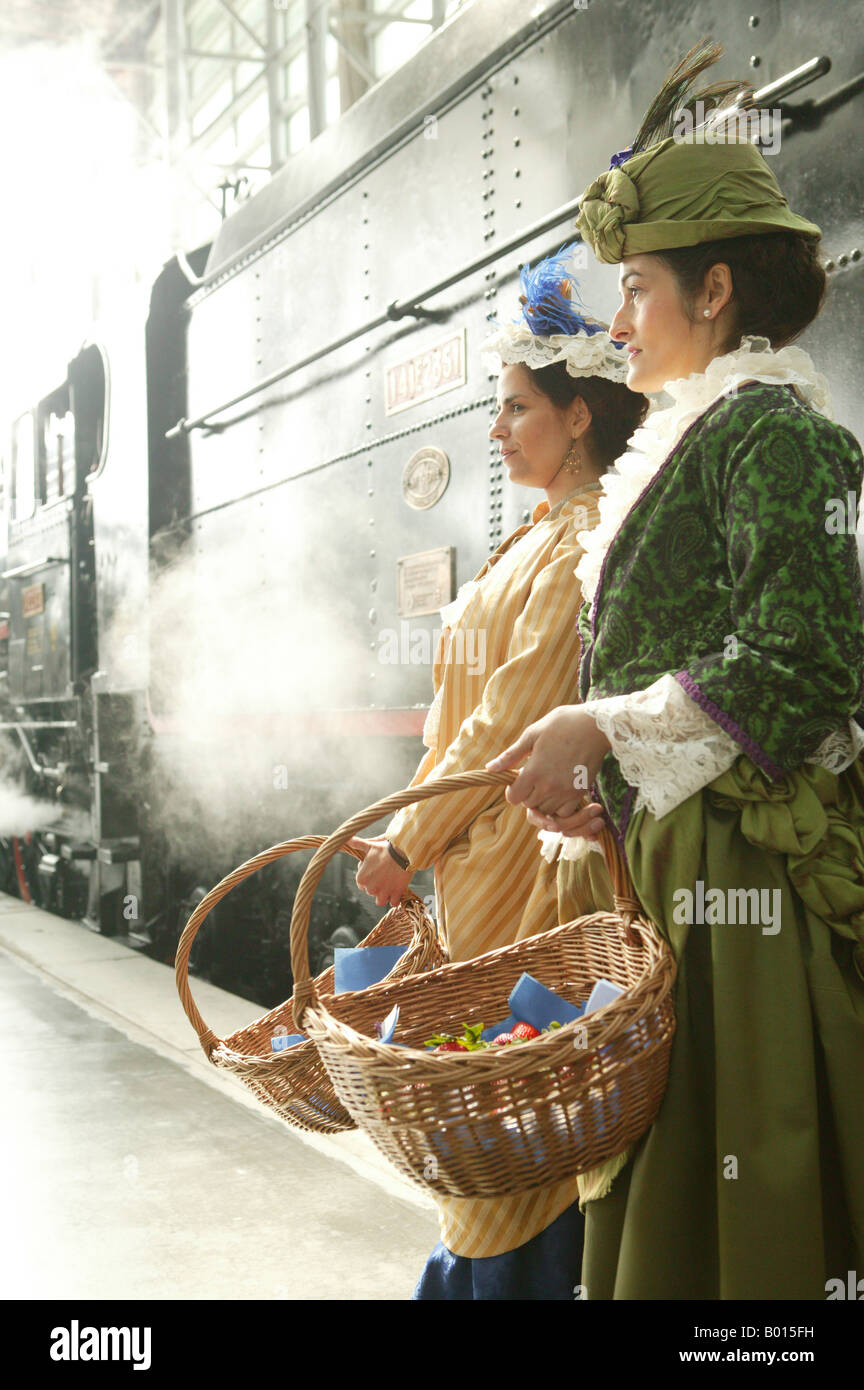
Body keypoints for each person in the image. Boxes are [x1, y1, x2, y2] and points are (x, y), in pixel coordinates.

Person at [488, 42, 864, 1299]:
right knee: (689, 1168)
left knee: (741, 1159)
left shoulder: (778, 431)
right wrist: (613, 779)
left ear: (712, 291)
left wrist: (597, 726)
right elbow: (696, 659)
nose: (617, 320)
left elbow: (803, 660)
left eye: (637, 288)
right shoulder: (717, 428)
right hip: (685, 854)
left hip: (743, 878)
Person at [353, 247, 648, 1296]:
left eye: (515, 407)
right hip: (476, 865)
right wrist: (410, 837)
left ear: (578, 417)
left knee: (513, 1121)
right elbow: (462, 720)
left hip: (519, 868)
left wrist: (406, 843)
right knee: (492, 1118)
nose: (494, 429)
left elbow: (506, 727)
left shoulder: (576, 545)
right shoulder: (536, 535)